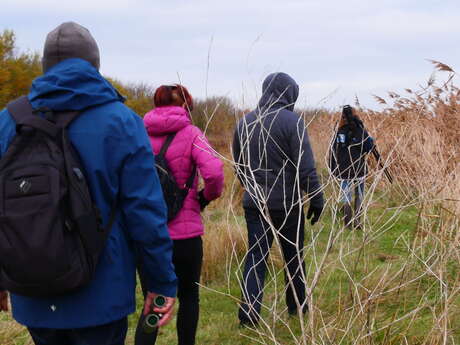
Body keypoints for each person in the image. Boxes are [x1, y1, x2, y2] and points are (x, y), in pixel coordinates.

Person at [0, 22, 177, 345]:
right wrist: (161, 282)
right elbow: (145, 213)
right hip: (101, 295)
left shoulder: (8, 122)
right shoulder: (122, 122)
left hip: (31, 289)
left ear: (44, 68)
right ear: (95, 66)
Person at [232, 72, 324, 326]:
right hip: (287, 203)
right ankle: (297, 307)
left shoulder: (244, 123)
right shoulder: (292, 122)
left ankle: (249, 315)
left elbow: (239, 166)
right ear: (289, 93)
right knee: (293, 255)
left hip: (255, 202)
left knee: (256, 257)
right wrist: (316, 198)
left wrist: (251, 188)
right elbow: (305, 167)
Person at [139, 84, 224, 345]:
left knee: (154, 301)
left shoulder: (139, 134)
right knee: (188, 297)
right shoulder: (192, 134)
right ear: (186, 105)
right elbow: (214, 173)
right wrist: (202, 198)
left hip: (150, 236)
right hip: (185, 237)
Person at [328, 105, 374, 229]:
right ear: (354, 115)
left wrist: (332, 168)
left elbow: (333, 151)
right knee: (359, 194)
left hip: (343, 169)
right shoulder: (360, 130)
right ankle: (358, 222)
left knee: (345, 196)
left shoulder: (339, 132)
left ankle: (347, 223)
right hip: (358, 168)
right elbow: (368, 148)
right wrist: (371, 140)